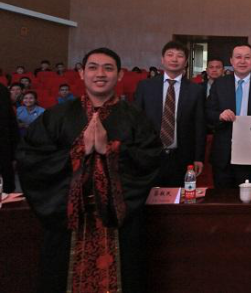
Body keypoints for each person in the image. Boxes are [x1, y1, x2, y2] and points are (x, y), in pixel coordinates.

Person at [16, 48, 163, 293]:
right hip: (68, 222)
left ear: (120, 75)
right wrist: (78, 152)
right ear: (82, 73)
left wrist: (111, 151)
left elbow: (151, 161)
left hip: (119, 224)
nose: (100, 74)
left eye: (108, 68)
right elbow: (30, 160)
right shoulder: (57, 116)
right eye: (93, 67)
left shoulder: (136, 118)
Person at [135, 41, 206, 187]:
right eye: (170, 55)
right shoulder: (145, 86)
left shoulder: (196, 90)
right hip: (150, 155)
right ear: (162, 59)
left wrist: (198, 157)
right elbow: (136, 121)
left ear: (185, 62)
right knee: (150, 196)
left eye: (180, 56)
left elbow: (199, 126)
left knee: (179, 196)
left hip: (182, 157)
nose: (174, 59)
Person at [206, 44, 251, 188]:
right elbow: (207, 112)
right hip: (223, 153)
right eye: (238, 57)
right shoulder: (219, 84)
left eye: (247, 57)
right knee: (222, 197)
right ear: (231, 61)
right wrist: (220, 115)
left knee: (247, 197)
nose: (242, 61)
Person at [0, 84, 20, 193]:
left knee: (6, 170)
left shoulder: (2, 90)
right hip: (5, 139)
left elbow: (10, 121)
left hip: (4, 138)